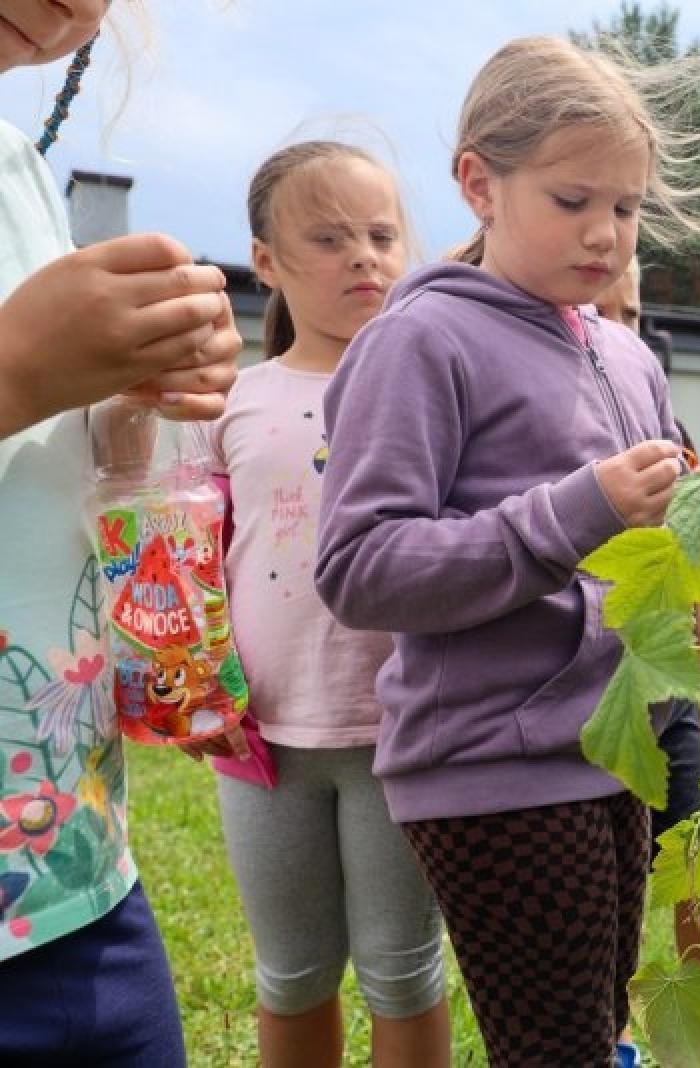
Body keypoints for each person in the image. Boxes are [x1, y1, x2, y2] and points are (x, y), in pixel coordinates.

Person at [314, 35, 700, 1067]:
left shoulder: (628, 356)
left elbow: (652, 542)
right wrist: (575, 512)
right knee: (555, 1047)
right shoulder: (420, 342)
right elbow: (360, 566)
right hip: (495, 766)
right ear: (479, 184)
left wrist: (695, 627)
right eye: (572, 199)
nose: (606, 233)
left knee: (596, 1027)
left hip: (618, 750)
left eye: (627, 207)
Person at [0, 2, 241, 1062]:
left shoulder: (18, 169)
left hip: (73, 861)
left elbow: (57, 464)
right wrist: (17, 371)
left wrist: (130, 392)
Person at [199, 141, 449, 1068]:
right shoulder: (230, 401)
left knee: (403, 972)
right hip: (261, 741)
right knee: (292, 974)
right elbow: (186, 563)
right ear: (265, 261)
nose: (364, 257)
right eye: (330, 237)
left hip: (404, 734)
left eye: (382, 235)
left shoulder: (438, 385)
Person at [596, 261, 700, 1068]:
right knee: (610, 886)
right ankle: (613, 1038)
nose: (622, 330)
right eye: (602, 311)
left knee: (697, 856)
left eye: (634, 313)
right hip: (602, 689)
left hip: (672, 683)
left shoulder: (662, 424)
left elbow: (693, 547)